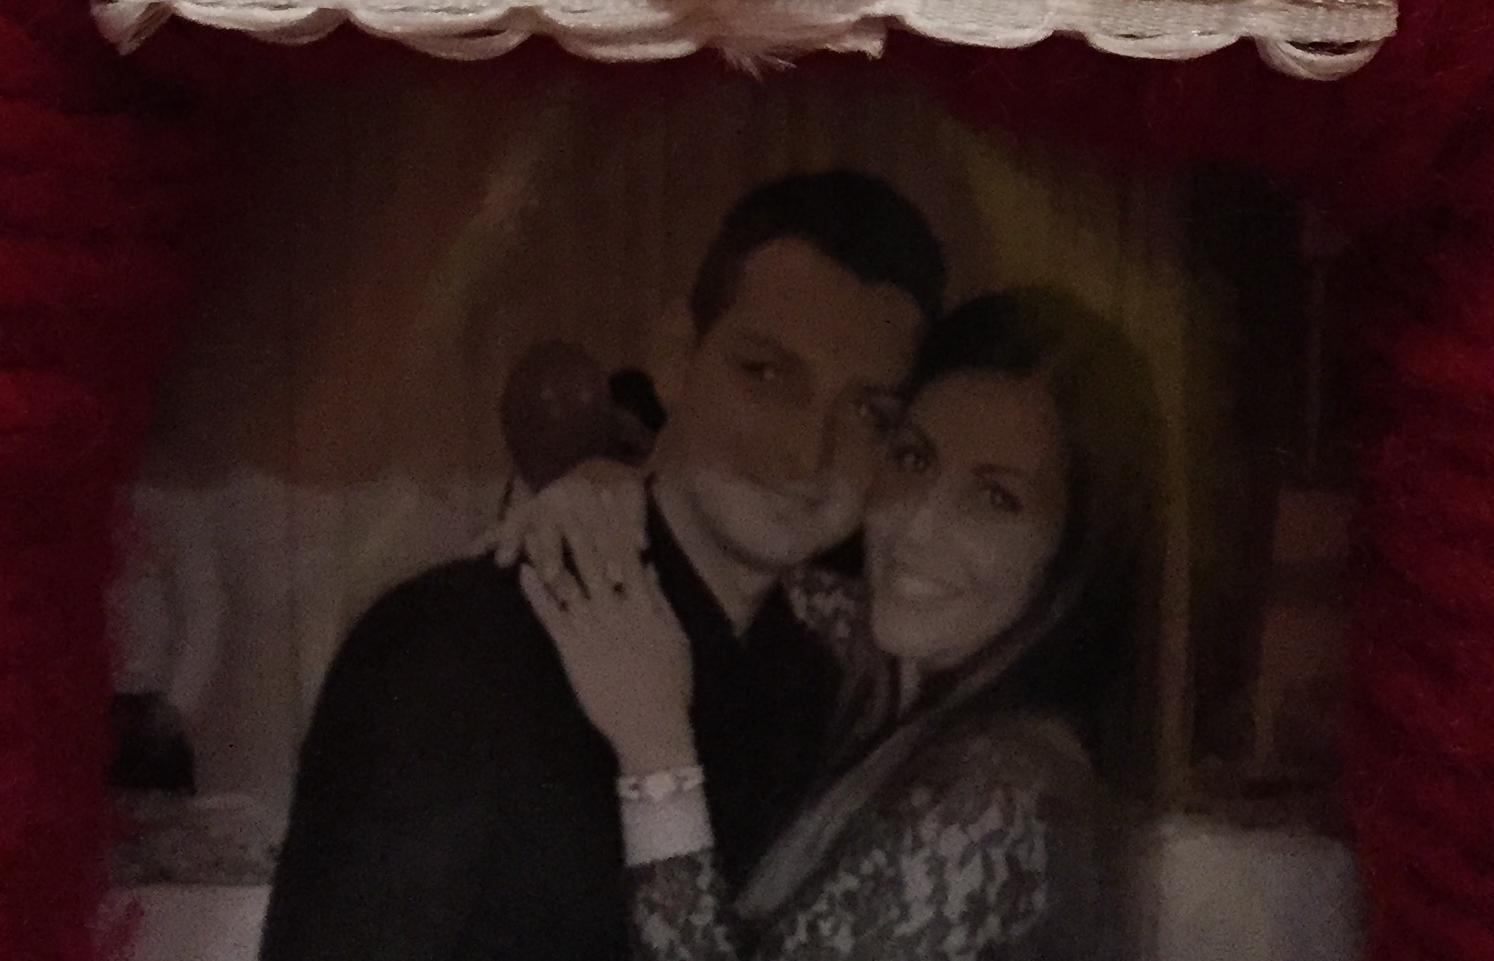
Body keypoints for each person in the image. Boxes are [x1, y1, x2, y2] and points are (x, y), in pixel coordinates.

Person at [258, 169, 946, 961]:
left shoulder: (831, 696)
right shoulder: (453, 646)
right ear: (675, 356)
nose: (806, 451)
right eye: (765, 374)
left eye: (866, 412)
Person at [522, 287, 1166, 961]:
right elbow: (733, 567)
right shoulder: (891, 655)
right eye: (914, 459)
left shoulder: (1001, 799)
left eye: (995, 499)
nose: (916, 526)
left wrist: (657, 756)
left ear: (1072, 553)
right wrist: (613, 492)